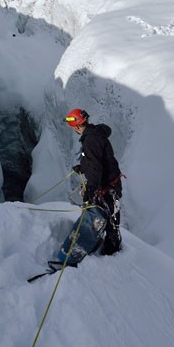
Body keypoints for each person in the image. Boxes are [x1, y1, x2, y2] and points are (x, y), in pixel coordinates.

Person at [64, 108, 123, 255]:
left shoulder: (90, 139)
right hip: (109, 183)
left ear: (77, 126)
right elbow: (94, 159)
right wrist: (83, 167)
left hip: (106, 186)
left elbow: (95, 165)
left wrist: (92, 188)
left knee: (109, 217)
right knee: (108, 215)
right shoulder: (94, 134)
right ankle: (107, 244)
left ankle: (112, 250)